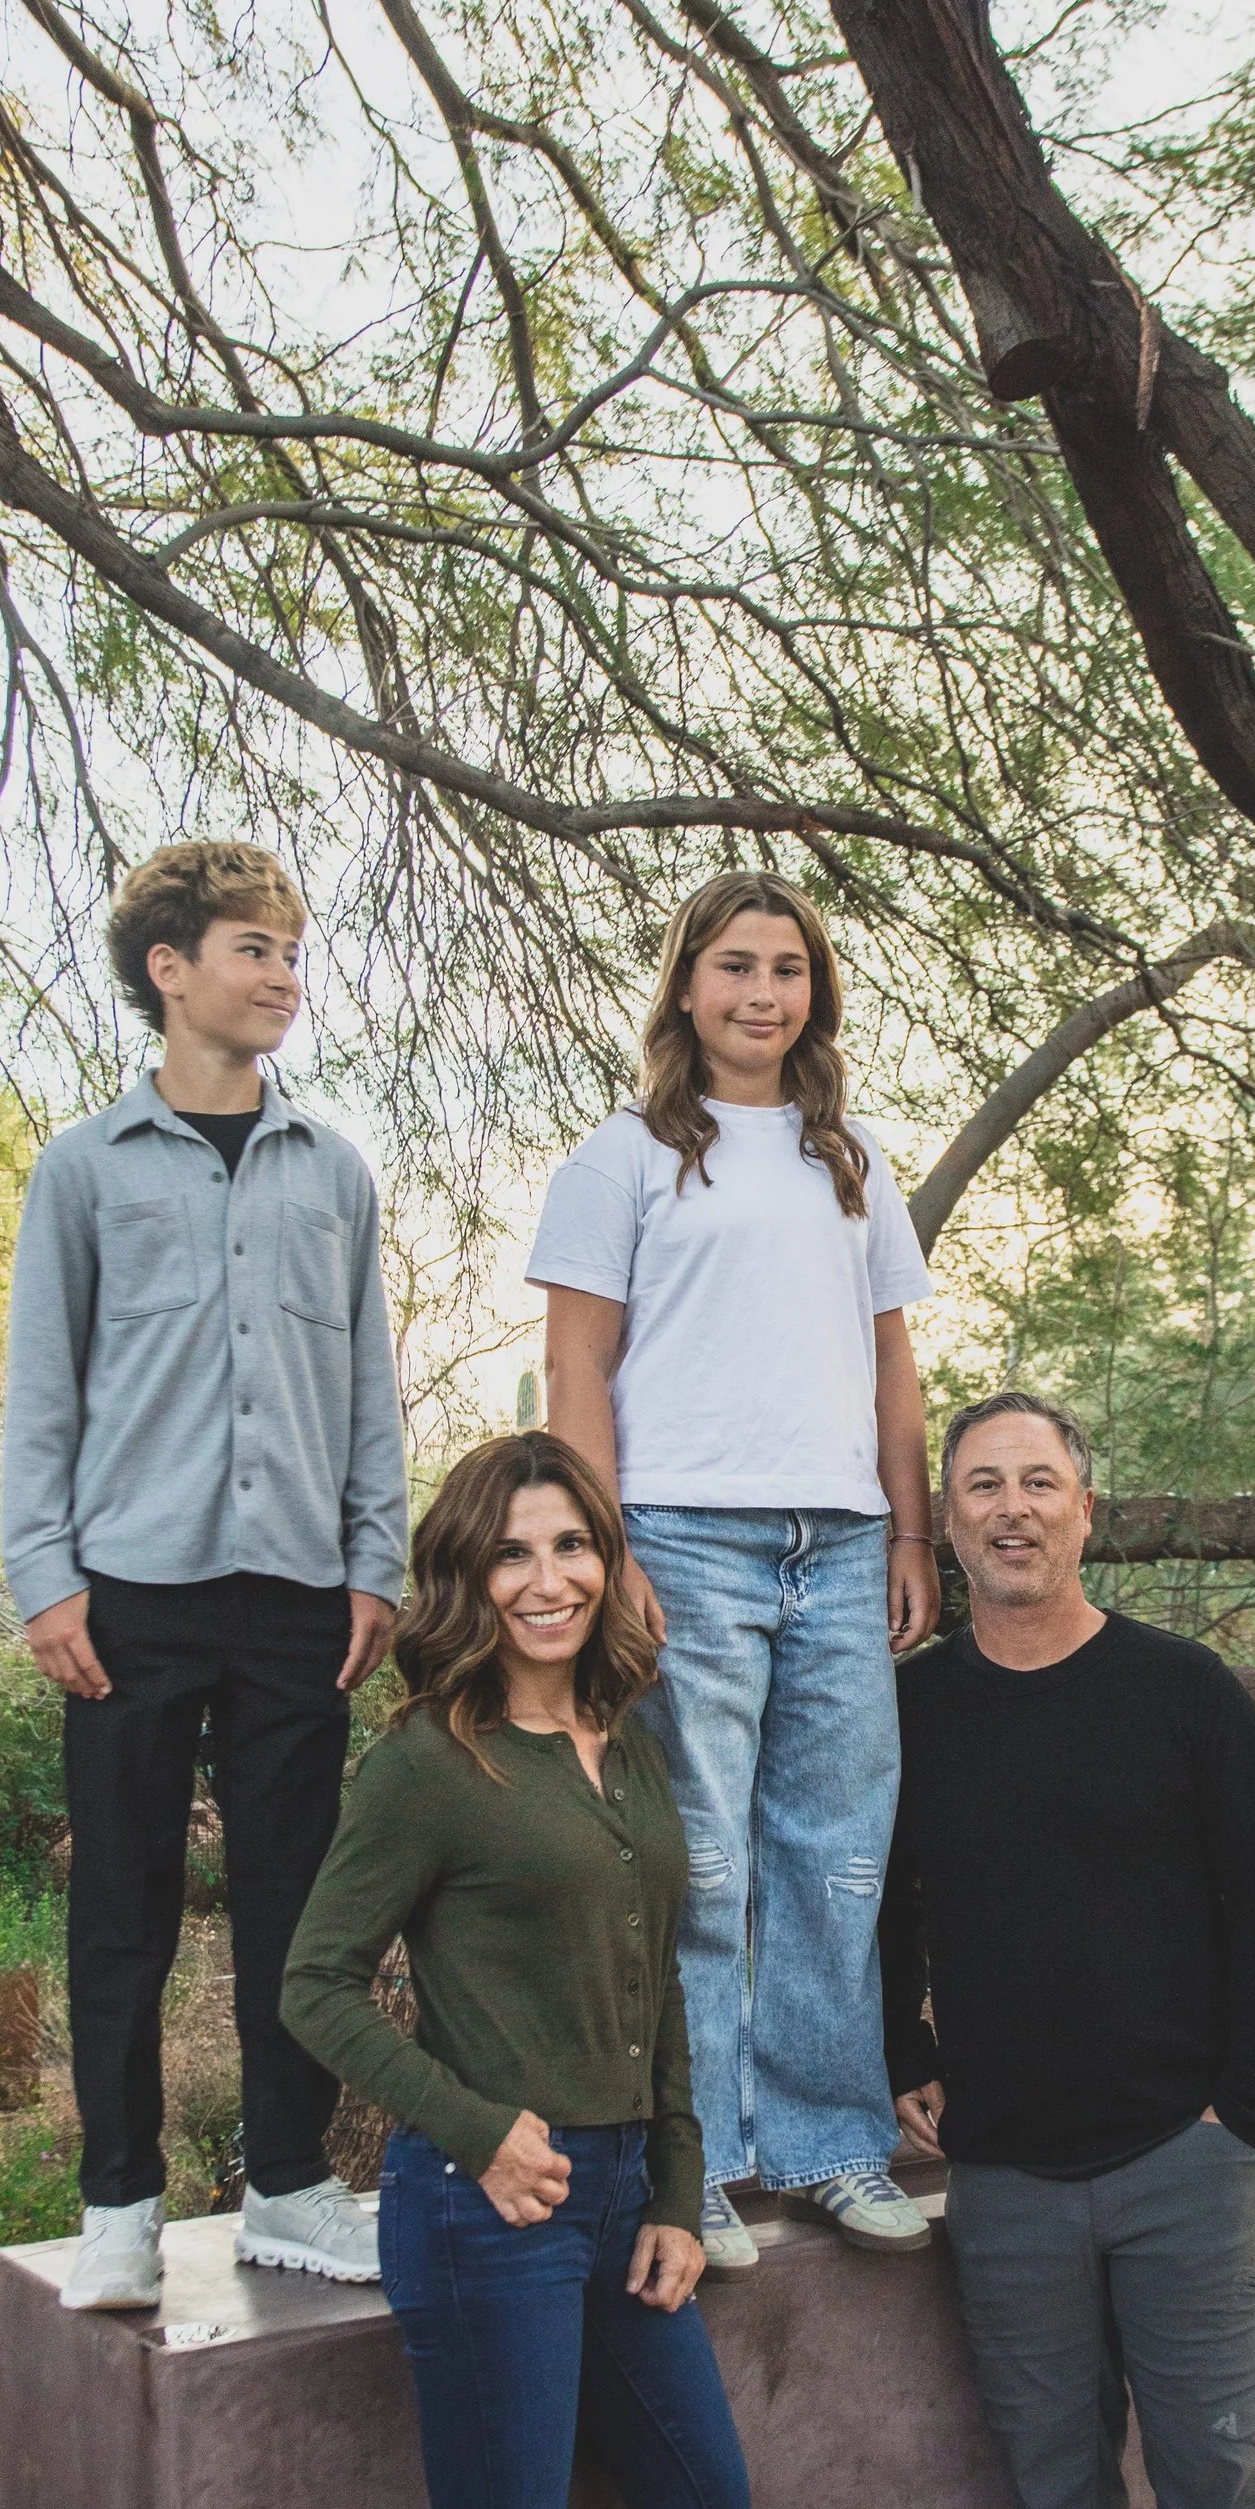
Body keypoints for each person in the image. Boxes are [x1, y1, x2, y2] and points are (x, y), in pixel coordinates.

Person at [281, 1431, 771, 2509]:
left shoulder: (626, 1739)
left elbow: (666, 1985)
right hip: (482, 2208)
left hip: (621, 2197)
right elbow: (317, 1982)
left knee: (699, 2508)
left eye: (572, 1545)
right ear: (467, 1579)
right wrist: (478, 2126)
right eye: (512, 1552)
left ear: (606, 1564)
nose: (547, 1579)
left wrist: (679, 2187)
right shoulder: (431, 1763)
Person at [881, 1390, 1255, 2509]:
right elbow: (875, 1898)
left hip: (1182, 2161)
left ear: (1086, 1508)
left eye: (1038, 1481)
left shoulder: (1180, 1690)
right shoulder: (914, 1711)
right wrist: (900, 2045)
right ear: (949, 1519)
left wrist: (1242, 2108)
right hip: (1005, 2174)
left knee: (1212, 2490)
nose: (1012, 1507)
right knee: (1057, 2498)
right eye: (982, 1484)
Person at [0, 838, 409, 2312]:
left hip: (299, 1598)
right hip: (130, 1598)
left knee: (298, 1909)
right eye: (255, 949)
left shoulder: (333, 1172)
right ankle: (119, 2202)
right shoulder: (85, 1169)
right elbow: (43, 1386)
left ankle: (290, 2184)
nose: (284, 977)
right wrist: (43, 1575)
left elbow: (368, 1388)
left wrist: (376, 1562)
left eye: (293, 952)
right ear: (170, 969)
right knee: (123, 1906)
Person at [529, 871, 939, 2272]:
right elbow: (575, 1367)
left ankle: (829, 2146)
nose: (764, 993)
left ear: (815, 993)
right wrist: (607, 1548)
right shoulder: (624, 1157)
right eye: (736, 966)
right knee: (699, 1866)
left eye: (788, 969)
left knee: (837, 1858)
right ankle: (691, 2166)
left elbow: (892, 1362)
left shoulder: (854, 1159)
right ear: (687, 986)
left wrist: (909, 1530)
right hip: (685, 1538)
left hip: (841, 1542)